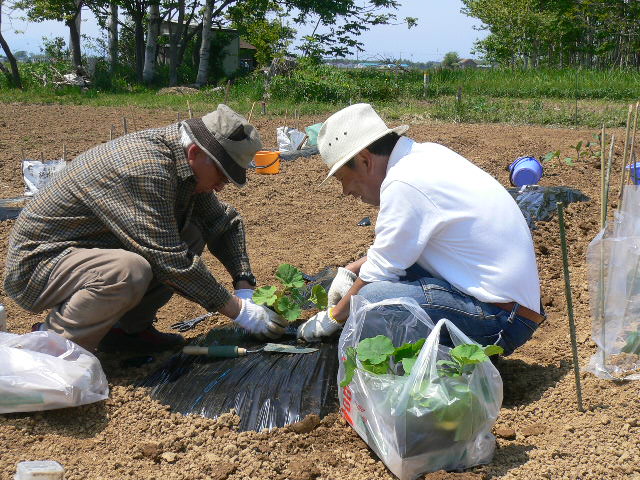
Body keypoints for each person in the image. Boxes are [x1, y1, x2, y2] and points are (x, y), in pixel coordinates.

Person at [4, 104, 287, 353]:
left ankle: (125, 333)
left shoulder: (184, 166)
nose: (221, 186)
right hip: (40, 264)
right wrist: (240, 311)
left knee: (192, 231)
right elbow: (168, 258)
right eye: (222, 175)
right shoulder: (146, 168)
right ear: (195, 152)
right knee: (128, 270)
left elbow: (223, 223)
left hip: (85, 253)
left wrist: (244, 286)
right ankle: (51, 348)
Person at [297, 103, 544, 355]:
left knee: (372, 300)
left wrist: (333, 318)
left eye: (342, 179)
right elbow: (394, 251)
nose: (346, 191)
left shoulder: (403, 182)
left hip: (502, 319)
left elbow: (381, 270)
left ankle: (432, 367)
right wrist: (350, 271)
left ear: (364, 160)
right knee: (382, 282)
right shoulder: (423, 157)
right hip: (513, 308)